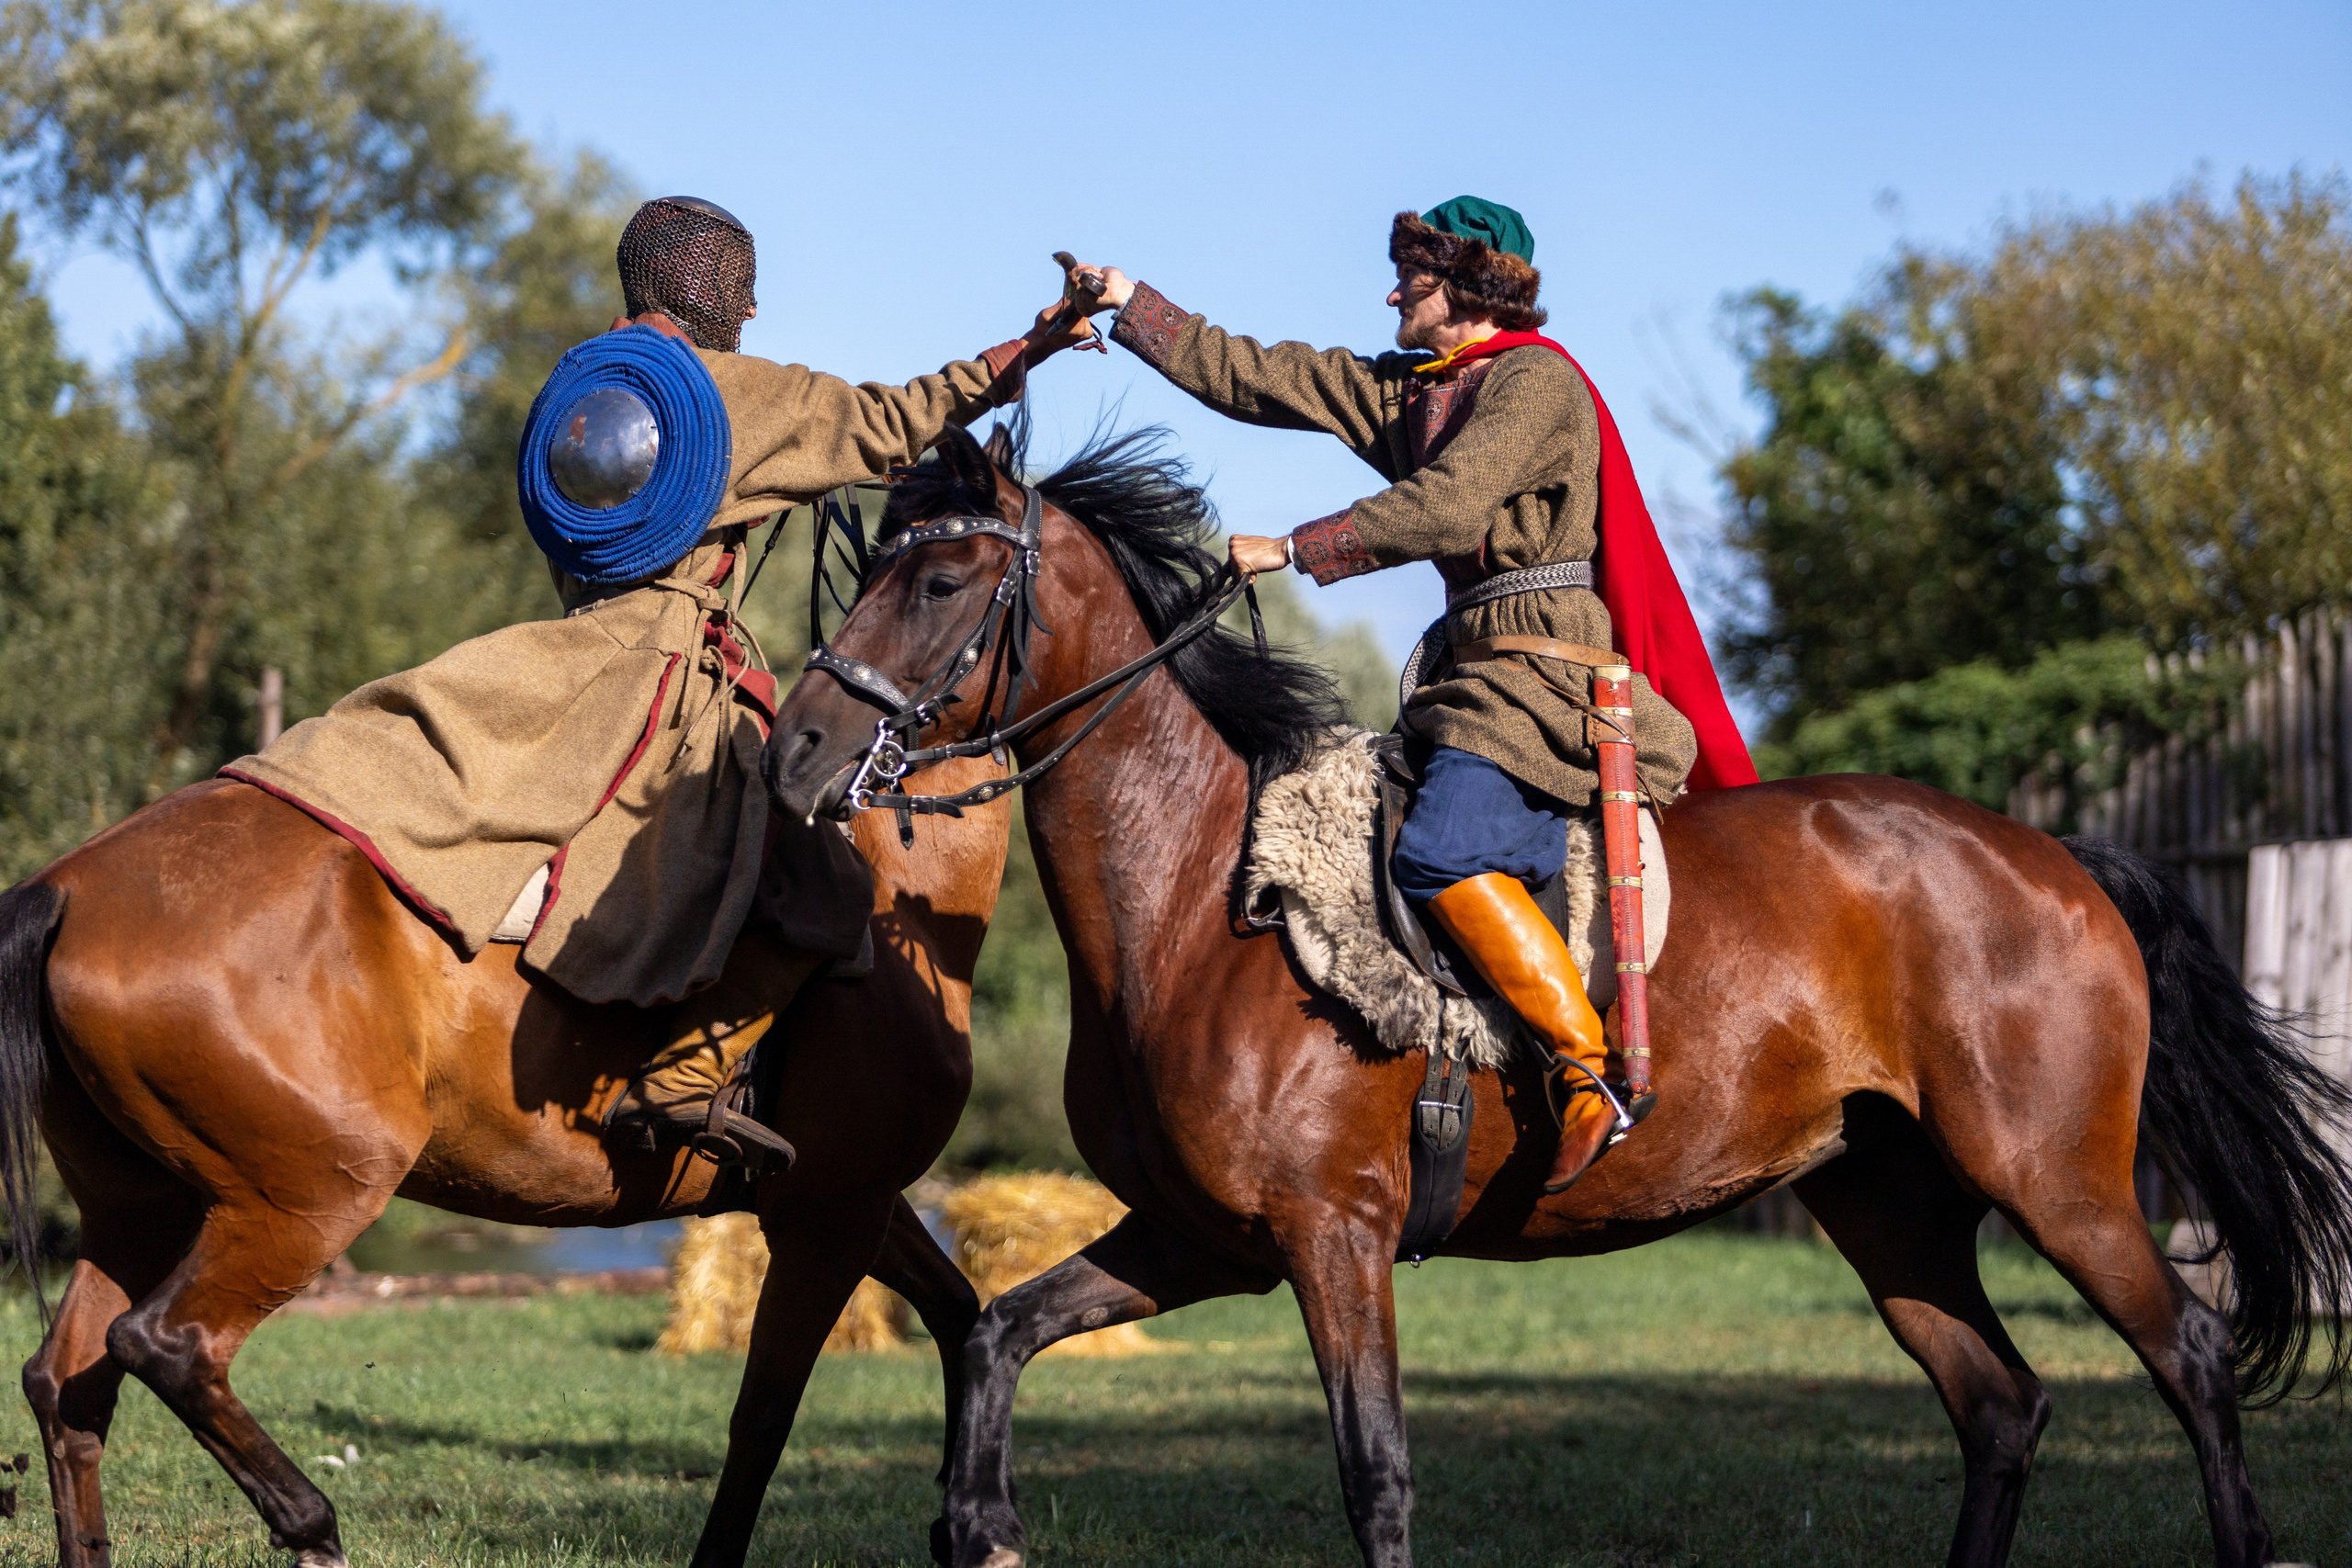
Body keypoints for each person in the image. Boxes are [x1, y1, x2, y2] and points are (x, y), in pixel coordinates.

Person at [225, 196, 1093, 1164]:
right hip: (665, 680)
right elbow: (897, 422)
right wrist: (1037, 343)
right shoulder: (728, 393)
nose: (755, 312)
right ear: (717, 290)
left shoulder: (579, 392)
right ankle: (685, 1077)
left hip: (561, 655)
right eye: (746, 291)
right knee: (824, 883)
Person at [1066, 197, 1755, 1192]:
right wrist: (1130, 305)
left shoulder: (1534, 382)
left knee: (1441, 854)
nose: (1394, 291)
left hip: (1538, 676)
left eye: (1414, 277)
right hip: (1467, 676)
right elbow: (1261, 377)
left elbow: (1452, 504)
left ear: (1471, 285)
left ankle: (1587, 1072)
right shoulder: (1417, 391)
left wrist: (1294, 548)